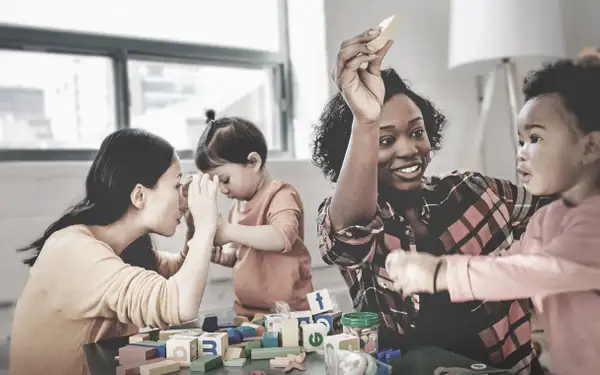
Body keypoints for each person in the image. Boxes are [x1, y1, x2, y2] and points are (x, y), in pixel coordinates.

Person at [312, 28, 550, 373]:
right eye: (385, 140)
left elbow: (561, 208)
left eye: (417, 131)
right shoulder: (348, 213)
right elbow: (348, 234)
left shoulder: (472, 191)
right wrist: (365, 119)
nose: (408, 149)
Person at [386, 57, 600, 375]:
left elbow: (534, 271)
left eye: (536, 139)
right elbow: (509, 267)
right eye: (520, 140)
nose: (521, 151)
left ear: (590, 147)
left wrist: (441, 273)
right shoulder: (548, 218)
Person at [10, 128, 220, 375]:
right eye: (176, 186)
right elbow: (178, 303)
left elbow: (170, 277)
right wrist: (207, 227)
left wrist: (195, 237)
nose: (184, 201)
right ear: (139, 195)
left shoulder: (124, 246)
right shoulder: (73, 251)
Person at [194, 109, 314, 318]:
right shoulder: (237, 208)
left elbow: (282, 237)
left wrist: (229, 231)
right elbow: (241, 254)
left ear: (253, 162)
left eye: (224, 180)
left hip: (290, 312)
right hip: (247, 311)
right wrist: (224, 255)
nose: (222, 190)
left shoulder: (280, 195)